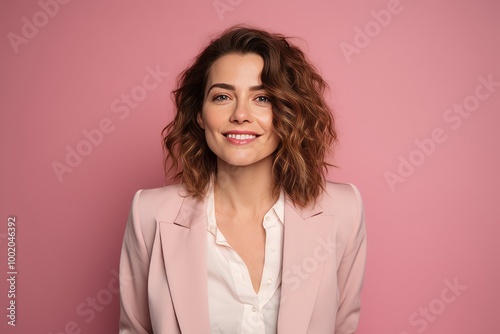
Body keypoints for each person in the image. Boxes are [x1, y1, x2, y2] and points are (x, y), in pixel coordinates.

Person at [119, 25, 366, 334]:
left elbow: (342, 326)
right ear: (199, 113)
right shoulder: (150, 215)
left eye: (262, 98)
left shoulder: (344, 210)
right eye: (222, 96)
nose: (240, 114)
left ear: (287, 110)